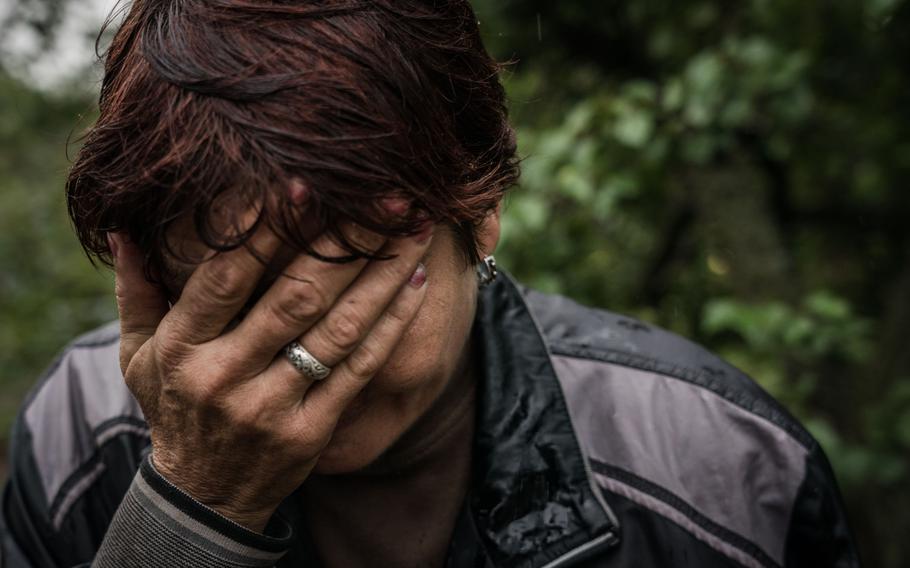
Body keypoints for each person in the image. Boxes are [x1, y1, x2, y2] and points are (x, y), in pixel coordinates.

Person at [0, 1, 860, 567]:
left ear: (478, 211)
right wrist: (187, 510)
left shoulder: (721, 475)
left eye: (341, 289)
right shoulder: (73, 442)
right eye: (228, 299)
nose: (291, 357)